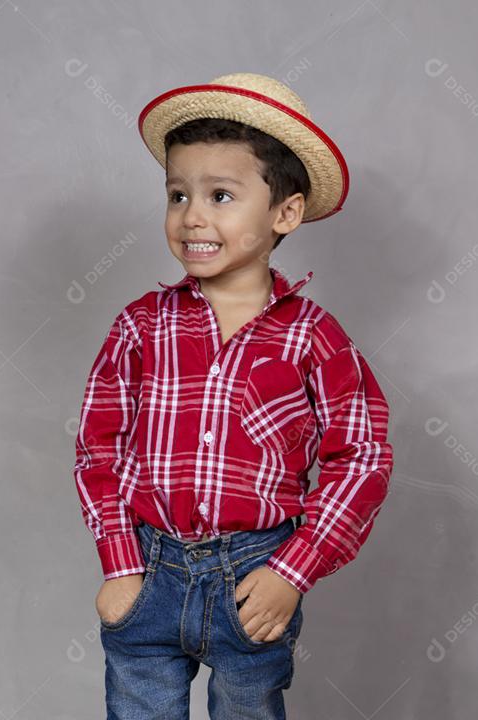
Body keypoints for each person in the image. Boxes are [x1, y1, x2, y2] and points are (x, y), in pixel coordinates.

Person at [73, 72, 394, 719]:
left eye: (220, 195)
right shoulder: (141, 326)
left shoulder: (314, 338)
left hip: (255, 576)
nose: (192, 214)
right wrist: (119, 562)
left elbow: (361, 455)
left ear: (285, 212)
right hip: (148, 566)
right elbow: (96, 445)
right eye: (177, 194)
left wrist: (292, 570)